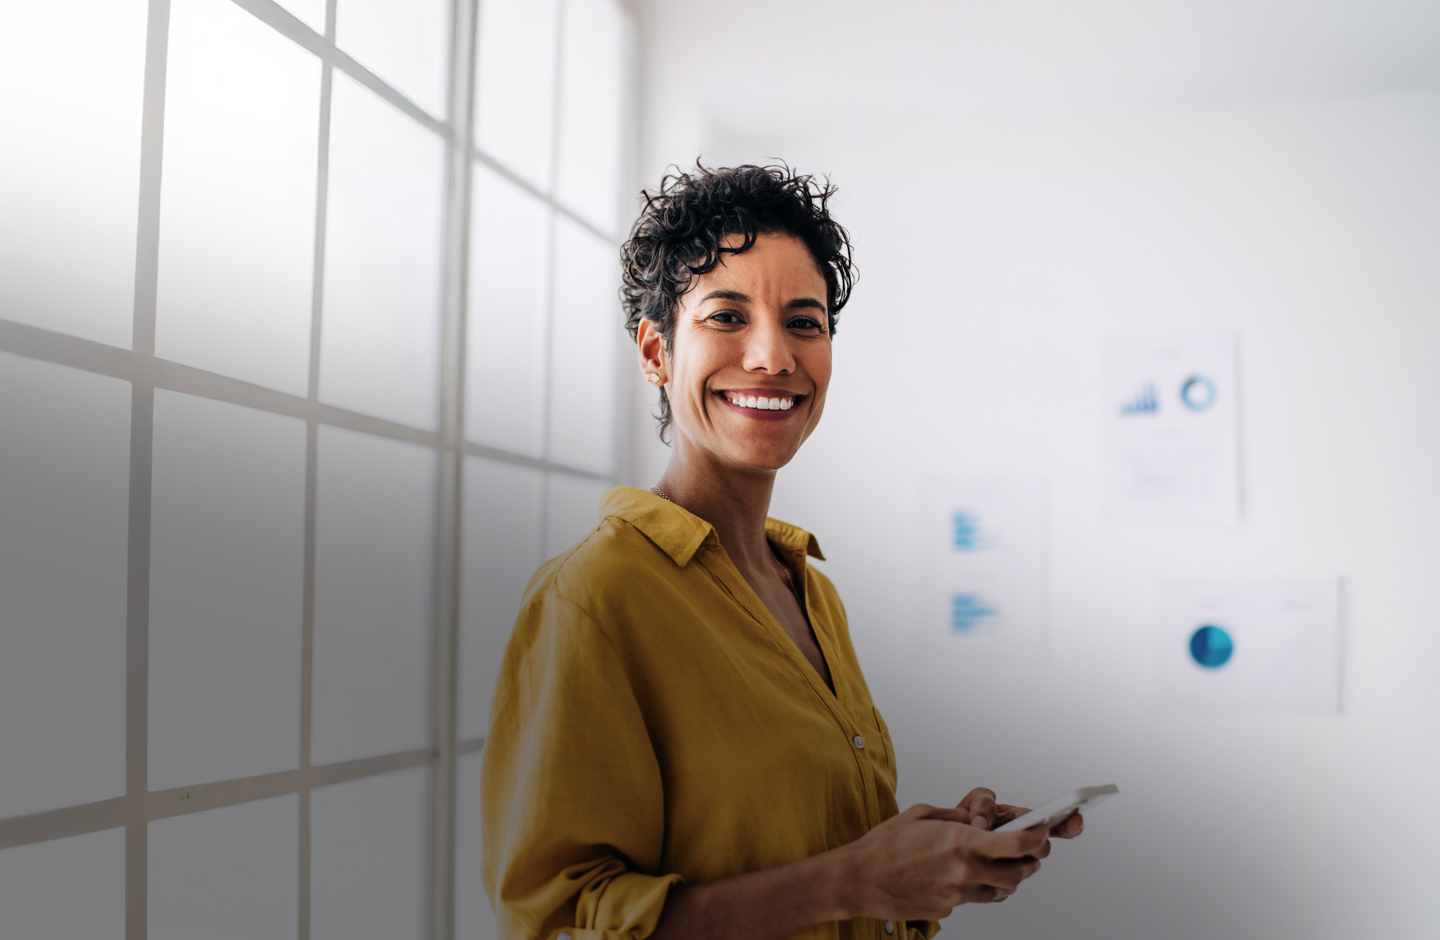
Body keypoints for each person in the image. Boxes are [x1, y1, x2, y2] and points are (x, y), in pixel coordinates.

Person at [480, 164, 1082, 940]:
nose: (773, 356)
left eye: (805, 322)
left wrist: (923, 860)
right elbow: (558, 925)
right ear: (656, 352)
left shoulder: (808, 589)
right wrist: (853, 880)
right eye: (727, 316)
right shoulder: (593, 598)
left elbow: (800, 862)